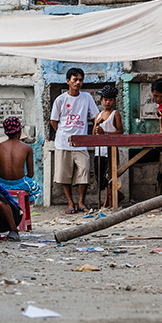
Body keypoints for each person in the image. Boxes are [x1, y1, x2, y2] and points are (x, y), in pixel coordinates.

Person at [50, 67, 100, 214]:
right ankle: (70, 202)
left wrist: (98, 124)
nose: (78, 83)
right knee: (65, 174)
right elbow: (54, 121)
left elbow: (95, 116)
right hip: (63, 142)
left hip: (81, 143)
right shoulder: (60, 100)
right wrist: (62, 134)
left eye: (80, 80)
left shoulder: (86, 97)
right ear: (68, 81)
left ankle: (81, 202)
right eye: (75, 80)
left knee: (84, 171)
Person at [0, 116, 41, 203]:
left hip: (1, 184)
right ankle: (22, 205)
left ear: (6, 133)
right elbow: (30, 174)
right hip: (21, 183)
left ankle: (7, 205)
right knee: (37, 189)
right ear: (19, 131)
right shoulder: (27, 147)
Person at [93, 84, 124, 210]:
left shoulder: (115, 114)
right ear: (101, 100)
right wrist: (97, 125)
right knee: (100, 178)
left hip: (110, 150)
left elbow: (120, 132)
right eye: (105, 99)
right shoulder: (98, 116)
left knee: (108, 177)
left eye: (110, 99)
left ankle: (107, 202)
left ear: (114, 100)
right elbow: (93, 135)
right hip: (98, 151)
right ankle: (116, 195)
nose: (107, 102)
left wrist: (105, 133)